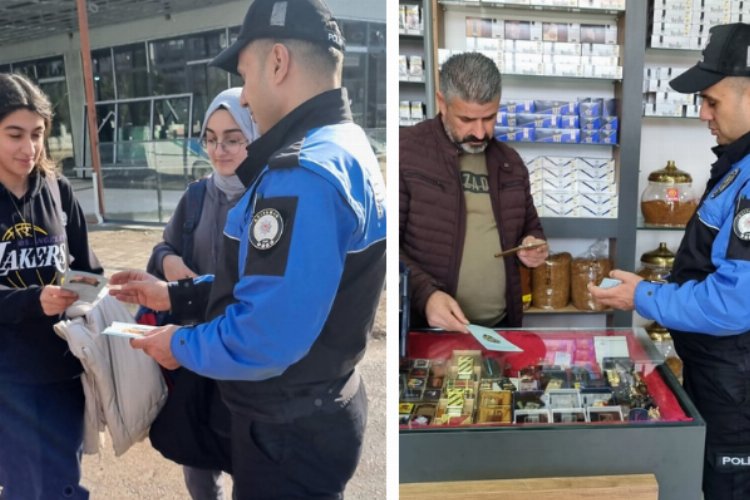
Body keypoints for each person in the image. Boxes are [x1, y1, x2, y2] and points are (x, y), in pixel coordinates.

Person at [109, 0, 386, 498]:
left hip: (287, 431)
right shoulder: (346, 144)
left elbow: (262, 336)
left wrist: (177, 344)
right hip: (317, 408)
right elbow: (275, 283)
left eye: (245, 73)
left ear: (278, 62)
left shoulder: (299, 175)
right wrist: (177, 297)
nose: (246, 94)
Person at [589, 23, 750, 500]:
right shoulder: (737, 167)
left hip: (737, 391)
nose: (703, 113)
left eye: (713, 100)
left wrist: (643, 295)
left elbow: (732, 304)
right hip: (721, 379)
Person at [145, 87, 259, 500]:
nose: (220, 149)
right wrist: (169, 262)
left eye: (233, 138)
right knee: (198, 463)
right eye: (210, 138)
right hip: (194, 351)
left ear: (254, 136)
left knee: (247, 464)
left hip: (244, 352)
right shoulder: (196, 197)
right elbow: (162, 249)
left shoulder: (270, 199)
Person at [0, 73, 102, 499]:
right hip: (8, 380)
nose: (29, 148)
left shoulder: (58, 191)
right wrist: (31, 301)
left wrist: (90, 290)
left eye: (38, 134)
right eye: (14, 134)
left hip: (62, 367)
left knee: (64, 484)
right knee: (24, 488)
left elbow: (88, 265)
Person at [400, 51, 547, 334]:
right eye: (467, 119)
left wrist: (534, 245)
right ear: (442, 103)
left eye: (489, 118)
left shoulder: (510, 162)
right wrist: (426, 296)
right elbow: (387, 247)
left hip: (500, 329)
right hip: (431, 331)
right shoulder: (406, 152)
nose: (480, 133)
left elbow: (532, 227)